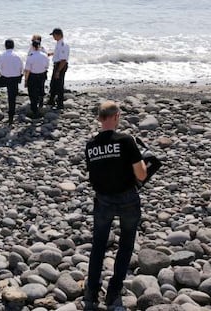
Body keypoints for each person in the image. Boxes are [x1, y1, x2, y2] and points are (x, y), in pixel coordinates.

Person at [84, 101, 147, 308]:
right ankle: (113, 290)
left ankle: (92, 291)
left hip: (103, 199)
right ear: (116, 116)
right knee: (126, 244)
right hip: (127, 197)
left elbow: (93, 174)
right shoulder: (126, 141)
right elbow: (140, 174)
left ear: (100, 118)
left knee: (99, 245)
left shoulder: (91, 145)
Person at [0, 39, 24, 124]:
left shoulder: (2, 55)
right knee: (12, 98)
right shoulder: (18, 56)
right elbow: (22, 70)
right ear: (13, 46)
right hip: (14, 79)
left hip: (4, 78)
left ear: (5, 46)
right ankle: (11, 118)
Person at [24, 40, 49, 117]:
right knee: (41, 89)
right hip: (42, 74)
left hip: (33, 75)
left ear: (33, 47)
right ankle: (40, 104)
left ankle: (34, 109)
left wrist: (26, 80)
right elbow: (46, 66)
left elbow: (27, 70)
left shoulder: (31, 56)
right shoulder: (44, 55)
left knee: (32, 92)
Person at [48, 28, 69, 109]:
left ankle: (60, 104)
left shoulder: (63, 44)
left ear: (59, 35)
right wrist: (51, 54)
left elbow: (63, 60)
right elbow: (58, 53)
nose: (53, 37)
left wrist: (58, 71)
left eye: (54, 35)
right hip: (57, 64)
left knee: (59, 85)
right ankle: (51, 100)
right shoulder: (59, 43)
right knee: (53, 84)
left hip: (60, 65)